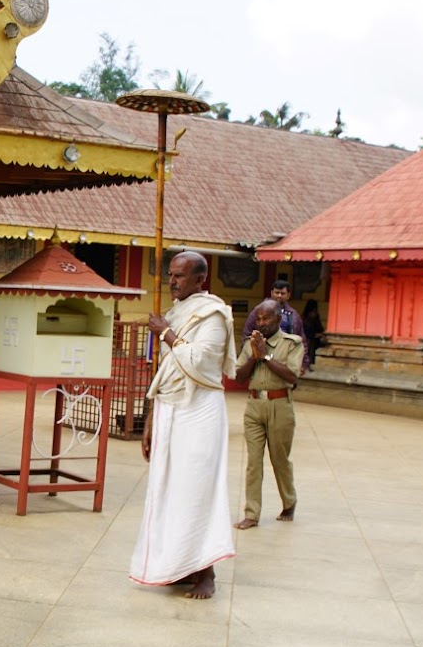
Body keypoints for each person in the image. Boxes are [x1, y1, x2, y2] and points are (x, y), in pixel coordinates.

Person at [130, 251, 236, 600]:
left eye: (179, 276)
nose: (172, 281)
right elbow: (164, 371)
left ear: (199, 280)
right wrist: (149, 421)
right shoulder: (174, 314)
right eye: (170, 274)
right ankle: (179, 565)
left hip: (200, 408)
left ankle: (207, 571)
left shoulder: (214, 315)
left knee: (197, 488)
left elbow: (204, 363)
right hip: (169, 407)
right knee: (168, 487)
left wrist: (167, 334)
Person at [234, 299, 302, 529]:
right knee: (253, 462)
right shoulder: (250, 344)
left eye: (266, 319)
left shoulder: (292, 343)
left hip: (280, 404)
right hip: (254, 405)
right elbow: (240, 377)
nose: (261, 323)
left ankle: (289, 501)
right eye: (259, 318)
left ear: (278, 319)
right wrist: (254, 356)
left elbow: (292, 376)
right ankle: (252, 513)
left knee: (279, 459)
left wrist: (266, 356)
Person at [301, 299, 325, 370]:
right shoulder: (304, 320)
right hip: (307, 340)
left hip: (314, 341)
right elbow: (308, 333)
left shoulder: (315, 319)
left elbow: (320, 329)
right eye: (314, 311)